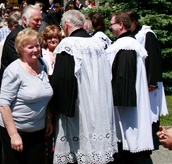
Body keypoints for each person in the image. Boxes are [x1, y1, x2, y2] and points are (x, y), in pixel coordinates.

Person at [51, 10, 117, 164]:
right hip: (99, 102)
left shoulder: (67, 45)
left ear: (66, 25)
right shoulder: (97, 43)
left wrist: (58, 108)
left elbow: (62, 80)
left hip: (78, 106)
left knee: (78, 148)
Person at [0, 28, 53, 164]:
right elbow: (4, 105)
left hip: (38, 128)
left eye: (37, 45)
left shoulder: (42, 64)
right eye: (30, 47)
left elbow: (45, 95)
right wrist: (14, 135)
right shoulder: (14, 70)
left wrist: (48, 119)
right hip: (16, 128)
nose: (35, 50)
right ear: (20, 49)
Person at [107, 11, 154, 162]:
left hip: (127, 110)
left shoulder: (126, 46)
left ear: (120, 25)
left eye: (112, 24)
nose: (110, 28)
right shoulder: (127, 44)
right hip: (128, 107)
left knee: (131, 146)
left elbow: (124, 79)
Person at [125, 9, 168, 149]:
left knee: (150, 112)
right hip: (138, 82)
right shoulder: (131, 35)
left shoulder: (147, 34)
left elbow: (154, 59)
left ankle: (153, 140)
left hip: (149, 83)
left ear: (134, 21)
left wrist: (152, 82)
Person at [1, 5, 42, 70]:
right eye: (36, 20)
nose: (40, 23)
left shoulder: (34, 35)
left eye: (41, 20)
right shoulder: (15, 37)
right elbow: (20, 63)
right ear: (24, 20)